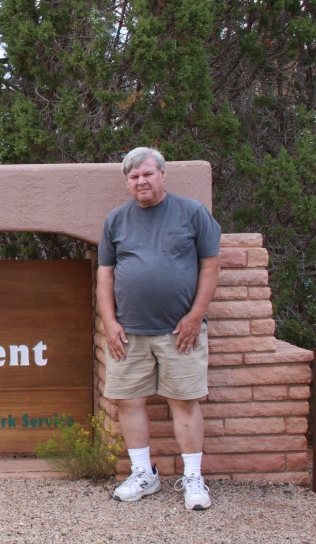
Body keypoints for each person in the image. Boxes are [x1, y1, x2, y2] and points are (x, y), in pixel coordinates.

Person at [96, 147, 221, 510]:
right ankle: (143, 475)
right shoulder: (116, 220)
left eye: (147, 174)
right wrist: (110, 322)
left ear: (162, 175)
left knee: (184, 401)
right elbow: (105, 273)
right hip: (128, 333)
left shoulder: (192, 213)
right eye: (134, 177)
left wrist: (196, 315)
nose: (141, 181)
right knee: (128, 402)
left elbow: (210, 267)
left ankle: (194, 478)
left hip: (179, 332)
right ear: (127, 182)